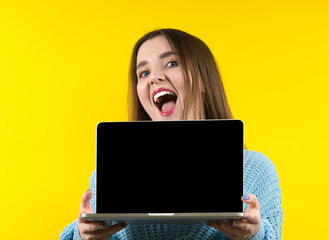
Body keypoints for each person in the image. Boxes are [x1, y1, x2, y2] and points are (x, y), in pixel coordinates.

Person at [60, 29, 282, 240]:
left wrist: (255, 234)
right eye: (143, 72)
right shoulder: (110, 173)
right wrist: (83, 235)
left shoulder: (255, 169)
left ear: (203, 79)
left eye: (172, 63)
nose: (154, 77)